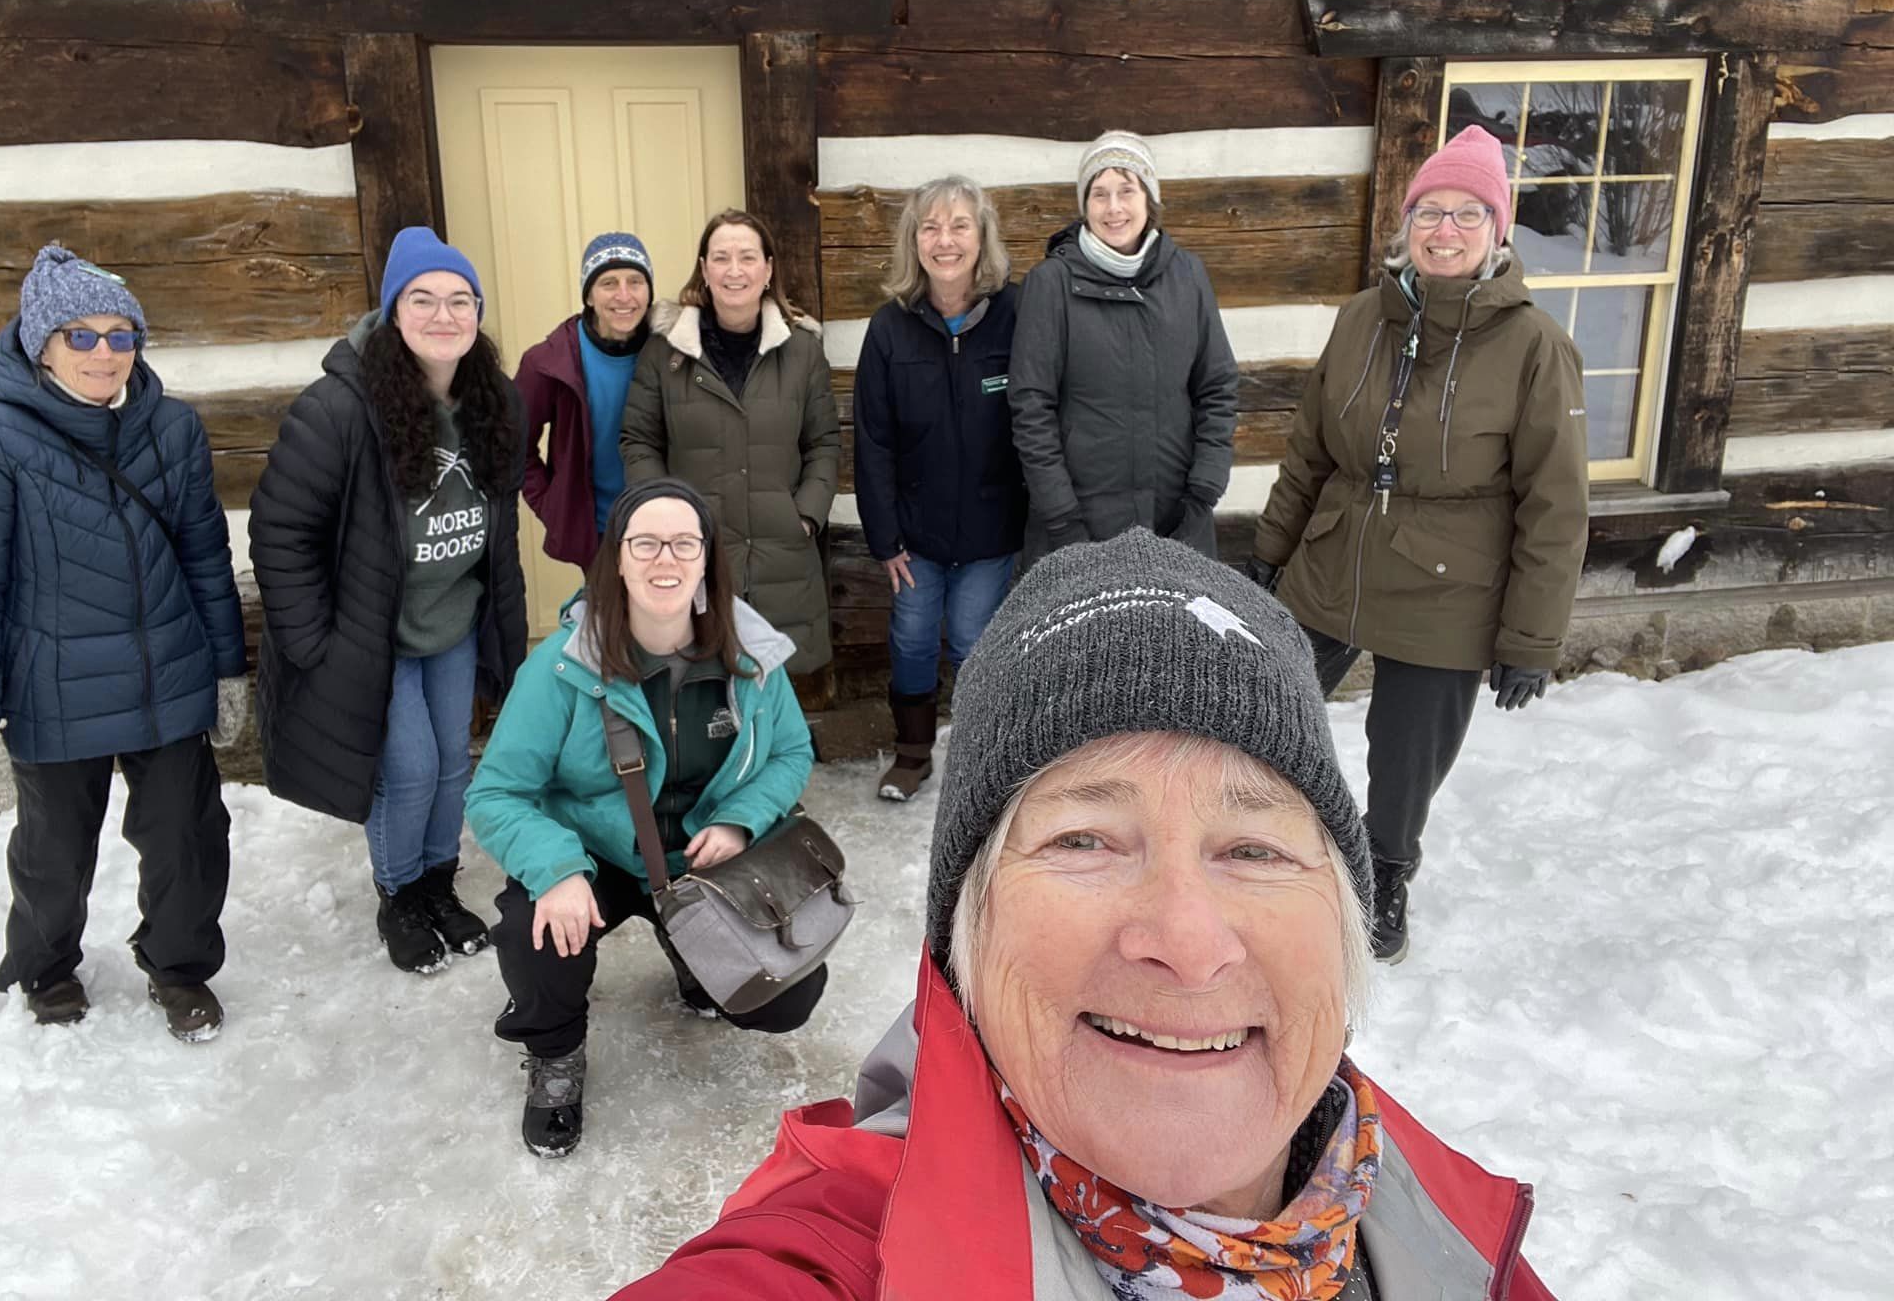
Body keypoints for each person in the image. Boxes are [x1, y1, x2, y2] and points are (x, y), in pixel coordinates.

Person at [613, 529, 1556, 1300]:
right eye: (1083, 841)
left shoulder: (1476, 1255)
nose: (1188, 943)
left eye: (1255, 849)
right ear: (963, 940)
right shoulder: (842, 1257)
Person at [1245, 124, 1589, 966]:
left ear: (1498, 230)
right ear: (1406, 225)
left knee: (1405, 759)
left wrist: (1530, 639)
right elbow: (1312, 447)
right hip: (1335, 558)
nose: (1444, 231)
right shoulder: (1365, 317)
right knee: (1257, 713)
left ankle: (1385, 869)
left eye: (1467, 214)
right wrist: (1271, 549)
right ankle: (1252, 847)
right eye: (1430, 212)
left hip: (1450, 588)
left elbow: (1556, 503)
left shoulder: (1535, 347)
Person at [0, 244, 246, 1041]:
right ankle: (46, 965)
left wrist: (227, 669)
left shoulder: (170, 427)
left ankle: (177, 967)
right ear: (40, 342)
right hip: (52, 684)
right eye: (82, 336)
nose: (105, 354)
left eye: (121, 335)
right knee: (54, 852)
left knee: (188, 837)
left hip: (165, 674)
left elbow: (206, 555)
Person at [465, 478, 829, 1158]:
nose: (666, 559)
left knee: (784, 999)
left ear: (705, 558)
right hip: (597, 854)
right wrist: (557, 870)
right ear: (618, 558)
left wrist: (742, 821)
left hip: (704, 860)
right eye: (647, 543)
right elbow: (495, 794)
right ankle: (554, 1056)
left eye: (684, 542)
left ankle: (690, 946)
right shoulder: (559, 669)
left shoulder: (750, 658)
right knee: (534, 930)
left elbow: (790, 752)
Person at [250, 226, 529, 976]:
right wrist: (316, 645)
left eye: (460, 301)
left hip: (453, 618)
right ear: (393, 312)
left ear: (478, 313)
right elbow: (281, 533)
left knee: (450, 766)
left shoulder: (493, 401)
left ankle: (438, 881)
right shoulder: (339, 409)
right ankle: (399, 892)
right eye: (424, 299)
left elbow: (499, 525)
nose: (445, 316)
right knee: (405, 768)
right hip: (368, 632)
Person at [851, 175, 1025, 801]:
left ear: (982, 238)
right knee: (914, 636)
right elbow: (872, 440)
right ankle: (913, 754)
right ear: (913, 241)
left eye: (959, 226)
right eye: (930, 227)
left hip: (991, 529)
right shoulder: (889, 328)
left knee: (978, 641)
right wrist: (885, 537)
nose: (944, 240)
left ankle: (981, 757)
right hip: (914, 534)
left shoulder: (1016, 315)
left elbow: (1038, 417)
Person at [620, 211, 840, 676]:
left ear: (768, 269)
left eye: (746, 257)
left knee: (778, 683)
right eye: (721, 258)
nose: (734, 270)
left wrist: (804, 515)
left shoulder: (801, 350)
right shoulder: (666, 352)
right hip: (694, 548)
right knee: (700, 677)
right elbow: (639, 440)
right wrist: (667, 521)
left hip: (781, 548)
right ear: (704, 269)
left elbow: (823, 443)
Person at [1009, 129, 1239, 563]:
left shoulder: (1187, 276)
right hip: (1076, 528)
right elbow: (1031, 406)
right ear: (1084, 206)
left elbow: (1218, 385)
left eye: (1126, 191)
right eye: (1099, 194)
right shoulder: (1050, 284)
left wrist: (1203, 493)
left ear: (1148, 198)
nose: (1113, 208)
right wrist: (1062, 517)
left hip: (1174, 522)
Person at [514, 231, 656, 570]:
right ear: (589, 296)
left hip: (667, 526)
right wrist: (553, 505)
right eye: (609, 283)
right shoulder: (549, 362)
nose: (624, 295)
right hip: (599, 534)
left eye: (636, 281)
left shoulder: (672, 350)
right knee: (608, 622)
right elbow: (512, 444)